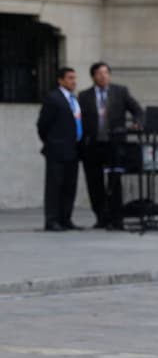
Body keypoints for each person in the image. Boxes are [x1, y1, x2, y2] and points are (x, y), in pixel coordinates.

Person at [78, 62, 143, 230]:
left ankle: (116, 218)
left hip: (114, 144)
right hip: (92, 145)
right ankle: (101, 217)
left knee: (114, 182)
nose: (103, 76)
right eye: (99, 74)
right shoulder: (84, 96)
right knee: (94, 183)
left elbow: (137, 110)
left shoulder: (120, 92)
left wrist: (137, 122)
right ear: (93, 77)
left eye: (106, 73)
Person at [36, 67, 82, 232]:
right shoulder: (53, 98)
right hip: (56, 149)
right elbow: (43, 125)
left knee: (69, 186)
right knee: (55, 186)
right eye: (70, 78)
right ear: (60, 80)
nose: (73, 81)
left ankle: (66, 218)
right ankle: (52, 220)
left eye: (74, 78)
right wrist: (51, 141)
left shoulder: (74, 99)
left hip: (73, 149)